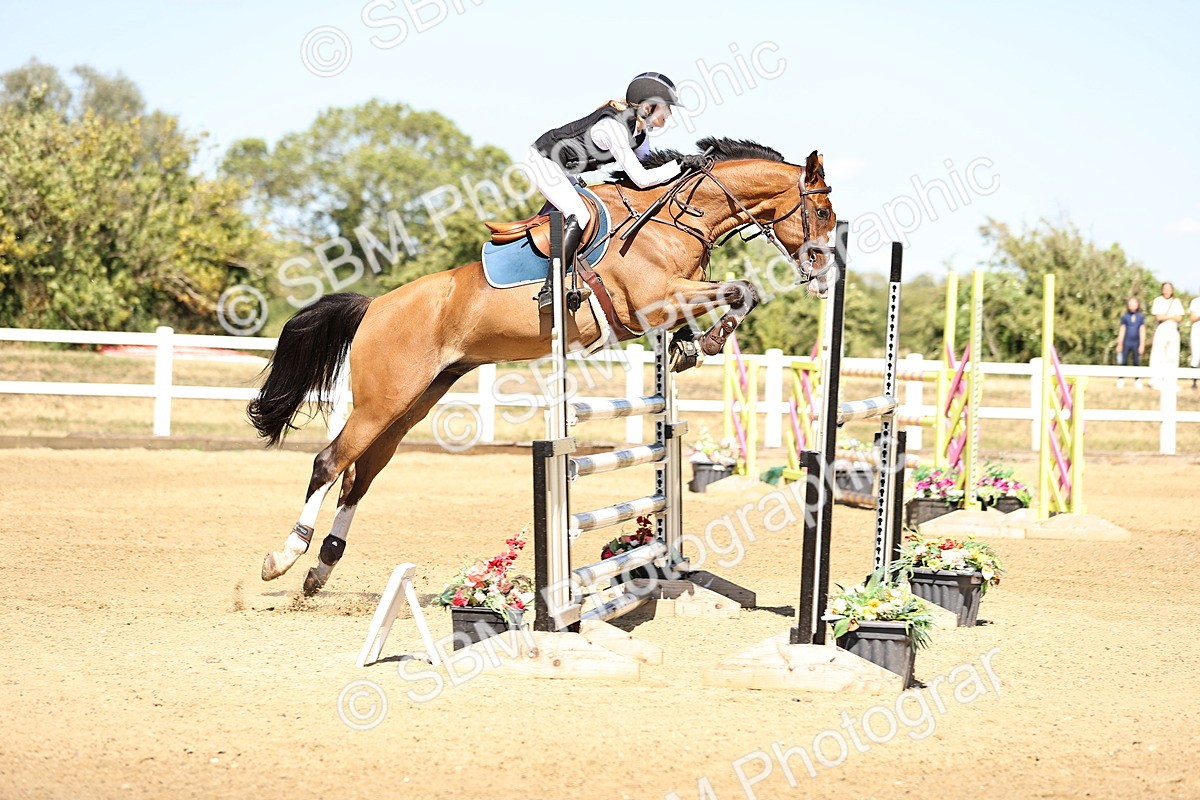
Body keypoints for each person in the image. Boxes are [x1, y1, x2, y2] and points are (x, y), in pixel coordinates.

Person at [524, 72, 701, 311]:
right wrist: (679, 164)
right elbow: (641, 179)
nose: (669, 114)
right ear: (648, 107)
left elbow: (650, 169)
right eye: (666, 108)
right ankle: (550, 287)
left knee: (594, 209)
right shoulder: (613, 127)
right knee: (581, 214)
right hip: (543, 162)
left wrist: (685, 171)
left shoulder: (640, 134)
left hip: (564, 170)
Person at [1149, 282, 1185, 390]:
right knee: (1158, 355)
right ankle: (1156, 380)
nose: (1167, 291)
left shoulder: (1176, 302)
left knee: (1172, 355)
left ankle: (1171, 381)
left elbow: (1179, 318)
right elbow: (1158, 317)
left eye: (1169, 289)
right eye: (1165, 288)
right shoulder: (1157, 300)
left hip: (1173, 330)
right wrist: (1172, 316)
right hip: (1162, 329)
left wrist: (1167, 317)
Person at [1115, 297, 1146, 389]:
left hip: (1136, 342)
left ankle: (1137, 379)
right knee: (1123, 361)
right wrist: (1120, 343)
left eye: (1134, 304)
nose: (1132, 306)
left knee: (1136, 361)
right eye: (1130, 304)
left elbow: (1142, 330)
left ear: (1137, 305)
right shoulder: (1125, 316)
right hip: (1126, 342)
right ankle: (1121, 379)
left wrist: (1142, 344)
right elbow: (1122, 329)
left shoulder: (1140, 317)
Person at [1190, 293, 1200, 388]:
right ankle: (1194, 383)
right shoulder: (1195, 302)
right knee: (1196, 356)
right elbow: (1192, 318)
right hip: (1197, 331)